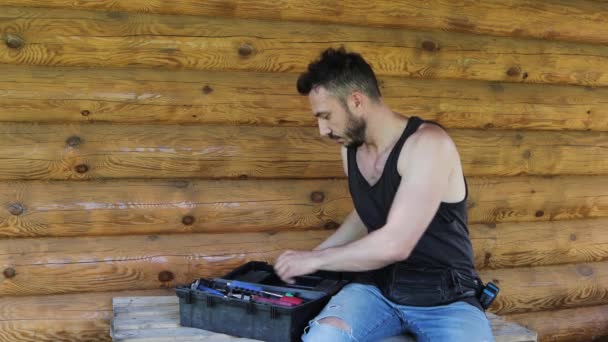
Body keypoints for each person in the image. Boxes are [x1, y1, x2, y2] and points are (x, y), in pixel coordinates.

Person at [273, 47, 494, 342]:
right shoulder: (350, 149)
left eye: (326, 116)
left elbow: (395, 244)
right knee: (321, 337)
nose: (322, 130)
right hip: (376, 291)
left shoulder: (428, 144)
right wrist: (309, 258)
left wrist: (318, 260)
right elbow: (366, 216)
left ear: (356, 101)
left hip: (445, 298)